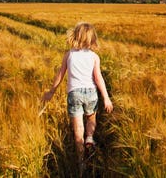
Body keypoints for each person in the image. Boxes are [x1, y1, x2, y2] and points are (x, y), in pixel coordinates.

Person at [41, 22, 113, 171]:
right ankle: (90, 138)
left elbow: (60, 75)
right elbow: (99, 78)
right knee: (91, 118)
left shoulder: (69, 55)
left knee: (78, 128)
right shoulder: (94, 57)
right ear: (92, 39)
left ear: (75, 36)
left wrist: (51, 92)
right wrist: (106, 97)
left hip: (74, 93)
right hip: (91, 92)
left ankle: (81, 162)